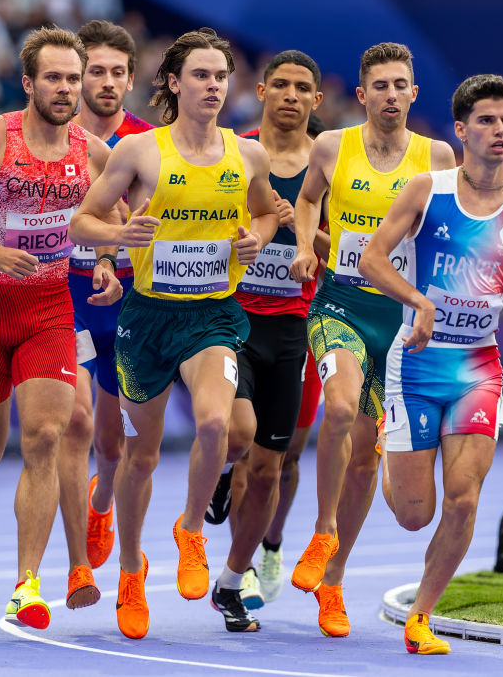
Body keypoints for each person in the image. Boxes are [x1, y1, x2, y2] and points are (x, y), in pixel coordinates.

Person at [70, 27, 278, 639]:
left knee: (218, 424)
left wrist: (258, 238)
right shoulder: (141, 154)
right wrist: (119, 238)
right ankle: (131, 572)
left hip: (212, 317)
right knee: (141, 455)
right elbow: (83, 221)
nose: (213, 87)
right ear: (172, 83)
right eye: (201, 76)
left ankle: (190, 528)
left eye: (221, 77)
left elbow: (267, 211)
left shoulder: (249, 155)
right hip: (146, 321)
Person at [0, 27, 120, 630]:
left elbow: (112, 215)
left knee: (43, 436)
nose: (65, 88)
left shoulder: (94, 153)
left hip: (51, 308)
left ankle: (26, 584)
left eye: (72, 77)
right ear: (29, 83)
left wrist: (108, 263)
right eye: (53, 78)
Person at [359, 73, 503, 654]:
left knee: (465, 498)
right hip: (416, 362)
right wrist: (418, 300)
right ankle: (386, 444)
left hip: (479, 367)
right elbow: (374, 260)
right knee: (415, 515)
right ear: (461, 130)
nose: (500, 132)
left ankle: (421, 616)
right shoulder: (428, 191)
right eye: (488, 121)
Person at [288, 42, 456, 637]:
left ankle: (332, 582)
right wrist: (308, 246)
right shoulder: (332, 146)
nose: (390, 95)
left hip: (402, 322)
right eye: (379, 85)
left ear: (414, 93)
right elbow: (307, 199)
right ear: (362, 95)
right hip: (340, 305)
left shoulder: (437, 157)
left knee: (365, 457)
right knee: (336, 407)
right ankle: (322, 530)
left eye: (400, 85)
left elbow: (452, 230)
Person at [195, 50, 325, 631]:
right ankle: (222, 471)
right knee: (234, 434)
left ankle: (235, 577)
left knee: (274, 466)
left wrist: (302, 229)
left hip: (293, 328)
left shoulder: (328, 167)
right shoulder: (233, 152)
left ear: (316, 101)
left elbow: (348, 250)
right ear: (263, 91)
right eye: (282, 86)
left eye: (303, 88)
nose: (292, 96)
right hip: (232, 318)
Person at [55, 21, 154, 597]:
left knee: (113, 443)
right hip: (64, 294)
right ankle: (75, 564)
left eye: (118, 72)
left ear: (131, 79)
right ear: (78, 75)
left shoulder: (147, 143)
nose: (107, 81)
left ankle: (100, 501)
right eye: (96, 70)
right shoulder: (51, 137)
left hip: (127, 299)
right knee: (77, 420)